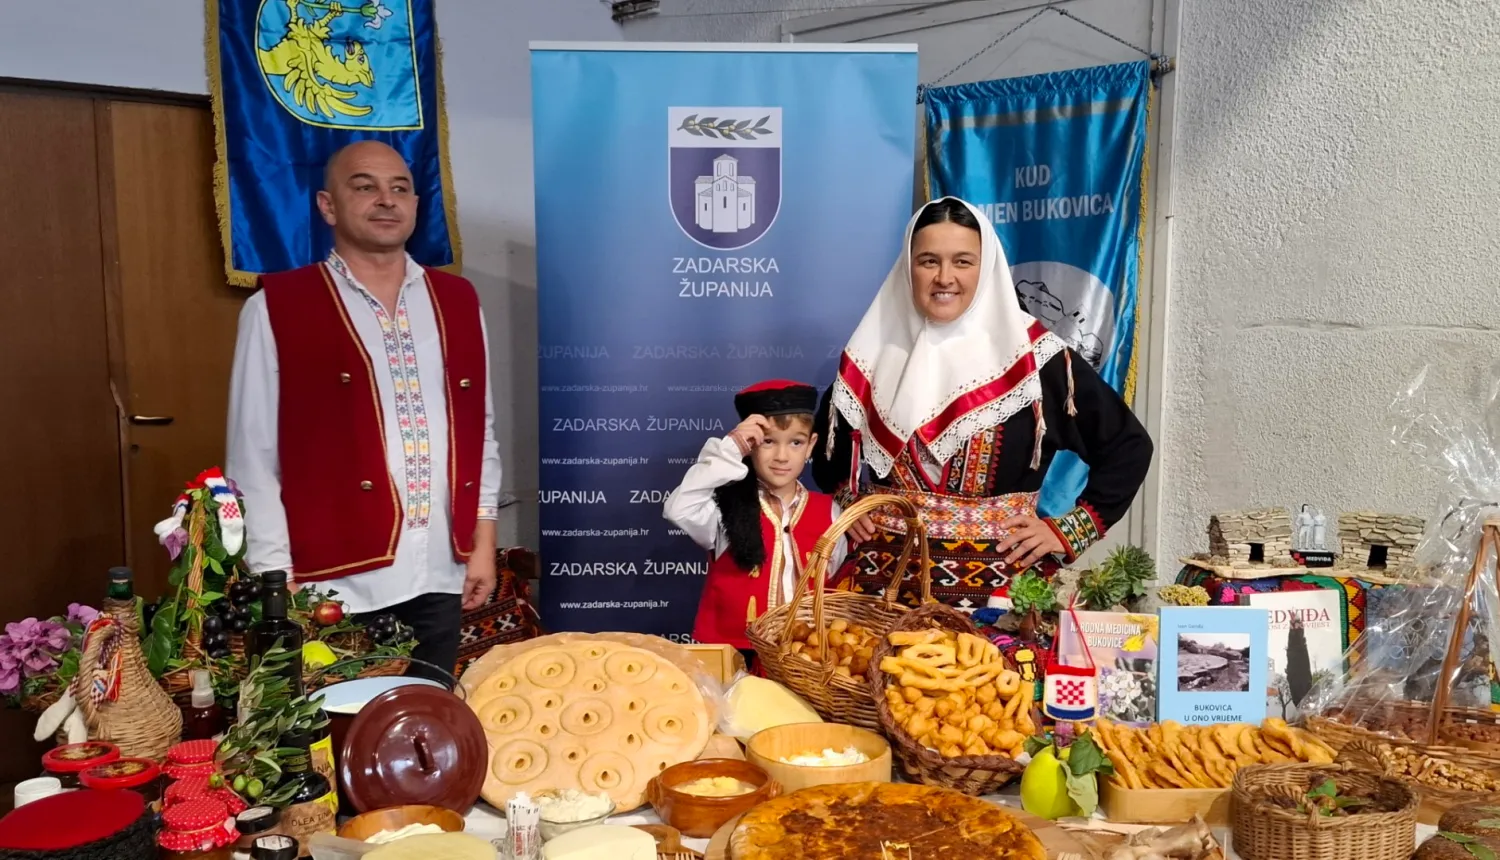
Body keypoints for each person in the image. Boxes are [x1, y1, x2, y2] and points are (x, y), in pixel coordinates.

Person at [226, 140, 502, 680]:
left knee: (429, 719)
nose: (386, 199)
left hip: (441, 569)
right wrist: (275, 578)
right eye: (365, 186)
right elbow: (252, 457)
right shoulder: (277, 306)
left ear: (416, 205)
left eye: (400, 188)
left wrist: (482, 542)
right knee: (335, 727)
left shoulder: (458, 301)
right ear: (328, 206)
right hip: (332, 581)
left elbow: (479, 431)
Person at [812, 197, 1152, 610]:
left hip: (1000, 603)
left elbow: (1128, 446)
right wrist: (850, 502)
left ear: (987, 266)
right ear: (908, 267)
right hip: (880, 596)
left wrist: (1066, 531)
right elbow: (827, 450)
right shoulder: (875, 350)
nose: (944, 277)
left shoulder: (1035, 360)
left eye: (963, 261)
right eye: (928, 261)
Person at [663, 381, 845, 657]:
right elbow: (679, 508)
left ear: (810, 446)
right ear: (750, 446)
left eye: (795, 442)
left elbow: (836, 580)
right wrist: (731, 449)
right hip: (734, 655)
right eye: (768, 442)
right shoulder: (723, 506)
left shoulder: (830, 511)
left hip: (806, 656)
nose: (782, 456)